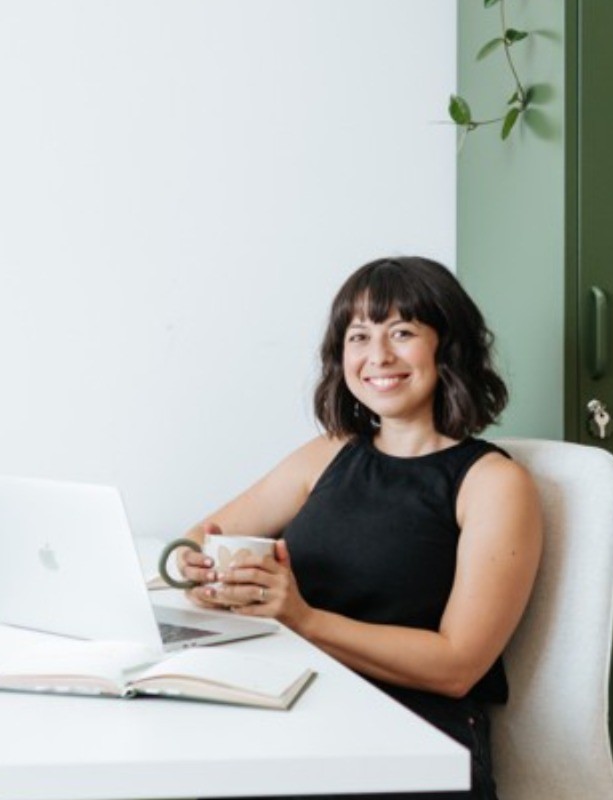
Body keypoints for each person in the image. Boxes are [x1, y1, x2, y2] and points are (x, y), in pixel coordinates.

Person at [176, 256, 542, 799]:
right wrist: (195, 565)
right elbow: (204, 532)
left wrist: (299, 617)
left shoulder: (492, 483)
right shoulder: (327, 455)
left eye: (402, 333)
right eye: (359, 336)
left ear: (449, 348)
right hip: (300, 704)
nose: (378, 356)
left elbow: (457, 666)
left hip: (413, 738)